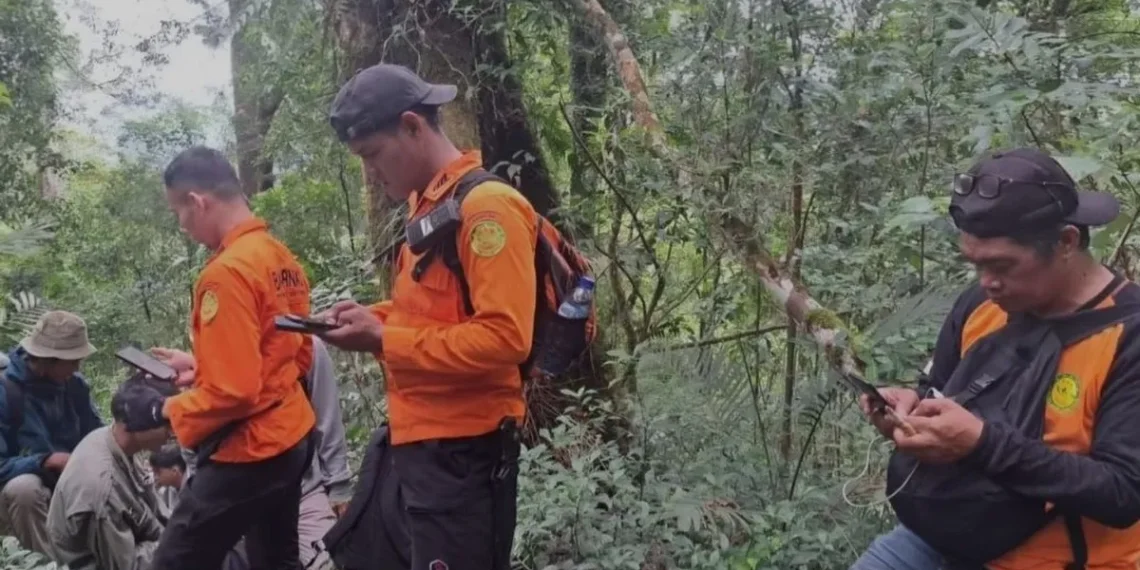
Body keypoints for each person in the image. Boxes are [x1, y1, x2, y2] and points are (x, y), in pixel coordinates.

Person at [851, 147, 1140, 570]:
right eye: (976, 265)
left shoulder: (1129, 336)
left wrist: (980, 444)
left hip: (1058, 559)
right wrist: (911, 411)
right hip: (942, 536)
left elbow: (1124, 494)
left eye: (1003, 265)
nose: (988, 283)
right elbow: (942, 393)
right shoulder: (981, 305)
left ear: (1066, 241)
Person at [320, 63, 534, 569]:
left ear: (413, 126)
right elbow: (430, 309)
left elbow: (506, 338)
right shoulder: (430, 206)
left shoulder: (487, 210)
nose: (372, 172)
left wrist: (384, 339)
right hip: (421, 446)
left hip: (464, 455)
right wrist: (368, 320)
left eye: (373, 155)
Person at [148, 146, 316, 570]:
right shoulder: (279, 258)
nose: (182, 225)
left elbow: (236, 392)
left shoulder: (226, 273)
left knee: (173, 561)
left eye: (178, 213)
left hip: (250, 449)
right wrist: (202, 365)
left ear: (197, 202)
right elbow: (294, 355)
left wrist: (164, 408)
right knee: (276, 561)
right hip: (292, 431)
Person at [159, 336, 351, 569]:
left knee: (324, 560)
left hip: (302, 488)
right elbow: (195, 452)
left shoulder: (301, 344)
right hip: (239, 493)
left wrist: (339, 487)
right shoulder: (215, 361)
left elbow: (326, 417)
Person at [46, 372, 176, 570]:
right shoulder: (101, 488)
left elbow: (152, 516)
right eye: (167, 422)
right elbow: (127, 566)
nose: (174, 431)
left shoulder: (118, 442)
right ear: (137, 423)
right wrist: (183, 544)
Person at [0, 310, 102, 558]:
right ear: (48, 359)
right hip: (20, 498)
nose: (78, 366)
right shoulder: (6, 391)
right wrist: (44, 461)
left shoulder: (74, 386)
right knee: (24, 489)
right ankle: (48, 563)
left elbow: (97, 437)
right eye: (72, 360)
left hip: (68, 486)